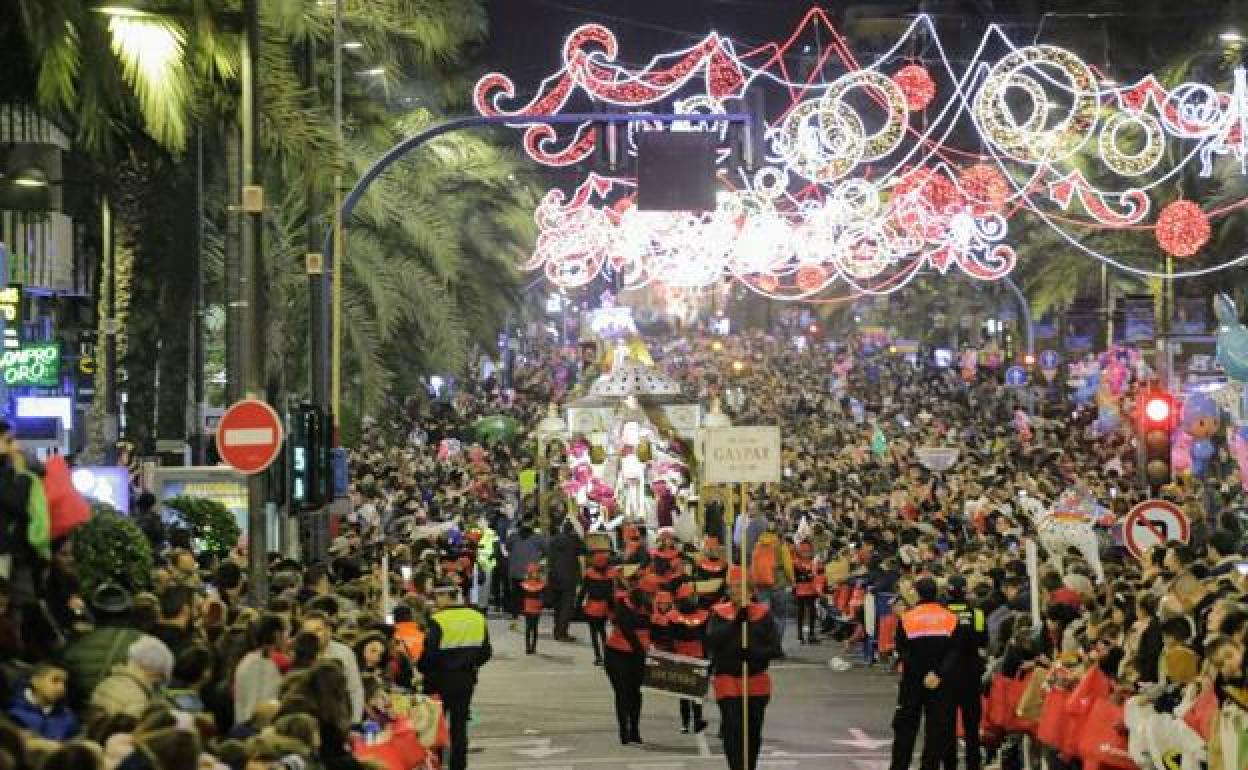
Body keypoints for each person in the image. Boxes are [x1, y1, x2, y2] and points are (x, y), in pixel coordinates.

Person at [705, 565, 782, 770]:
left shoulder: (763, 615)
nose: (737, 592)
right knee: (733, 728)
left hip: (755, 680)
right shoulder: (718, 613)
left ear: (750, 591)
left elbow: (775, 649)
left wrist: (754, 654)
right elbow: (712, 641)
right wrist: (734, 624)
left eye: (741, 587)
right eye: (733, 587)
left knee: (753, 731)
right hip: (727, 680)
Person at [419, 583, 492, 770]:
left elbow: (430, 654)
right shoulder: (477, 617)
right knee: (459, 726)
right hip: (465, 679)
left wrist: (423, 669)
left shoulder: (438, 620)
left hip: (438, 680)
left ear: (445, 597)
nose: (436, 601)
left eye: (438, 597)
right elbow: (486, 652)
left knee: (435, 726)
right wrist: (470, 665)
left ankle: (436, 764)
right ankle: (459, 766)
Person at [889, 577, 958, 770]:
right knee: (936, 728)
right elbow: (954, 651)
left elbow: (903, 650)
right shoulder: (950, 617)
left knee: (905, 727)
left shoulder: (907, 618)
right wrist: (937, 673)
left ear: (917, 593)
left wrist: (922, 673)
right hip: (939, 682)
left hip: (913, 681)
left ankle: (899, 765)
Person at [942, 575, 987, 770]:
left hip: (947, 673)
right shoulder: (977, 613)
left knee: (947, 723)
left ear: (948, 591)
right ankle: (973, 763)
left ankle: (950, 763)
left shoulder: (942, 613)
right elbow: (983, 640)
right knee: (971, 724)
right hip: (971, 672)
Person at [604, 580, 652, 745]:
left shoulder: (651, 607)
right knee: (622, 693)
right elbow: (628, 631)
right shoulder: (622, 607)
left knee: (636, 694)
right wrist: (643, 651)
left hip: (637, 656)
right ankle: (624, 730)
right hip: (617, 654)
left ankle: (635, 730)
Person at [300, 610, 365, 724]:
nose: (313, 635)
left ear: (328, 630)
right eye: (308, 631)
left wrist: (355, 721)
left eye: (318, 630)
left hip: (339, 717)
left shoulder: (345, 653)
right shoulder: (299, 654)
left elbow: (355, 689)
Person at [89, 635, 174, 719]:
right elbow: (132, 729)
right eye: (160, 677)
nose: (158, 683)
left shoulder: (109, 680)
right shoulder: (137, 700)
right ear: (152, 670)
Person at [668, 582, 709, 734]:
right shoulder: (673, 617)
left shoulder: (703, 616)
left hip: (694, 656)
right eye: (692, 596)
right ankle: (688, 722)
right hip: (686, 656)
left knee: (691, 692)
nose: (694, 599)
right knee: (687, 692)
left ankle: (693, 722)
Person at [233, 614, 287, 725]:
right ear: (276, 635)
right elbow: (252, 706)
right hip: (252, 729)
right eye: (285, 635)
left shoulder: (257, 660)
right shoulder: (256, 665)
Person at [6, 662, 79, 740]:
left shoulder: (69, 718)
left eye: (64, 683)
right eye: (55, 680)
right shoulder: (11, 710)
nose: (61, 688)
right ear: (35, 681)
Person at [548, 519, 586, 642]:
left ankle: (556, 630)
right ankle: (562, 632)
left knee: (558, 605)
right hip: (569, 576)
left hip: (554, 576)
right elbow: (581, 559)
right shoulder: (575, 540)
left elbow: (549, 557)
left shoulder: (554, 540)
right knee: (567, 606)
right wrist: (583, 576)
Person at [579, 547, 617, 665]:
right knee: (603, 631)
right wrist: (613, 609)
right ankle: (607, 656)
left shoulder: (589, 573)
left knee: (593, 632)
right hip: (604, 607)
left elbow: (583, 591)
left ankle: (597, 656)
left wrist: (578, 604)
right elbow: (612, 593)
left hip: (591, 607)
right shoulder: (610, 575)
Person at [791, 540, 821, 644]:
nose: (806, 553)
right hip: (803, 588)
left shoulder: (799, 561)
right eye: (804, 551)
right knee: (804, 612)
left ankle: (806, 635)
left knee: (806, 612)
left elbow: (815, 575)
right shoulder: (797, 562)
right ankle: (804, 635)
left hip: (808, 588)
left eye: (807, 551)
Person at [519, 562, 547, 655]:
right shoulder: (524, 584)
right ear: (530, 573)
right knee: (528, 628)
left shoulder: (541, 585)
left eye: (537, 572)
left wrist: (541, 604)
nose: (535, 574)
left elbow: (543, 598)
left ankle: (533, 647)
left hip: (536, 608)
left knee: (534, 628)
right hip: (528, 608)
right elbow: (521, 597)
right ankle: (527, 647)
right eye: (534, 572)